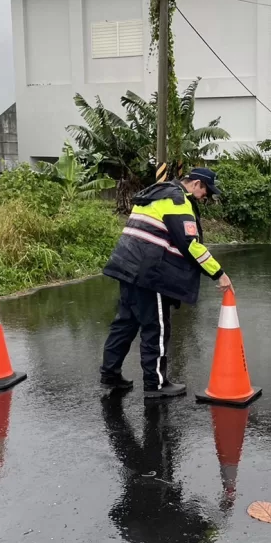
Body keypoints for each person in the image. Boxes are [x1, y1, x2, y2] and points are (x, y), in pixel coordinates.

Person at [100, 167, 232, 398]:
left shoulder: (155, 194)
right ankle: (156, 384)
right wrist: (218, 272)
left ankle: (110, 374)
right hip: (151, 274)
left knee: (126, 323)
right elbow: (190, 244)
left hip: (127, 267)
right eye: (206, 192)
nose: (205, 197)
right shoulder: (177, 201)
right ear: (196, 184)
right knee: (157, 328)